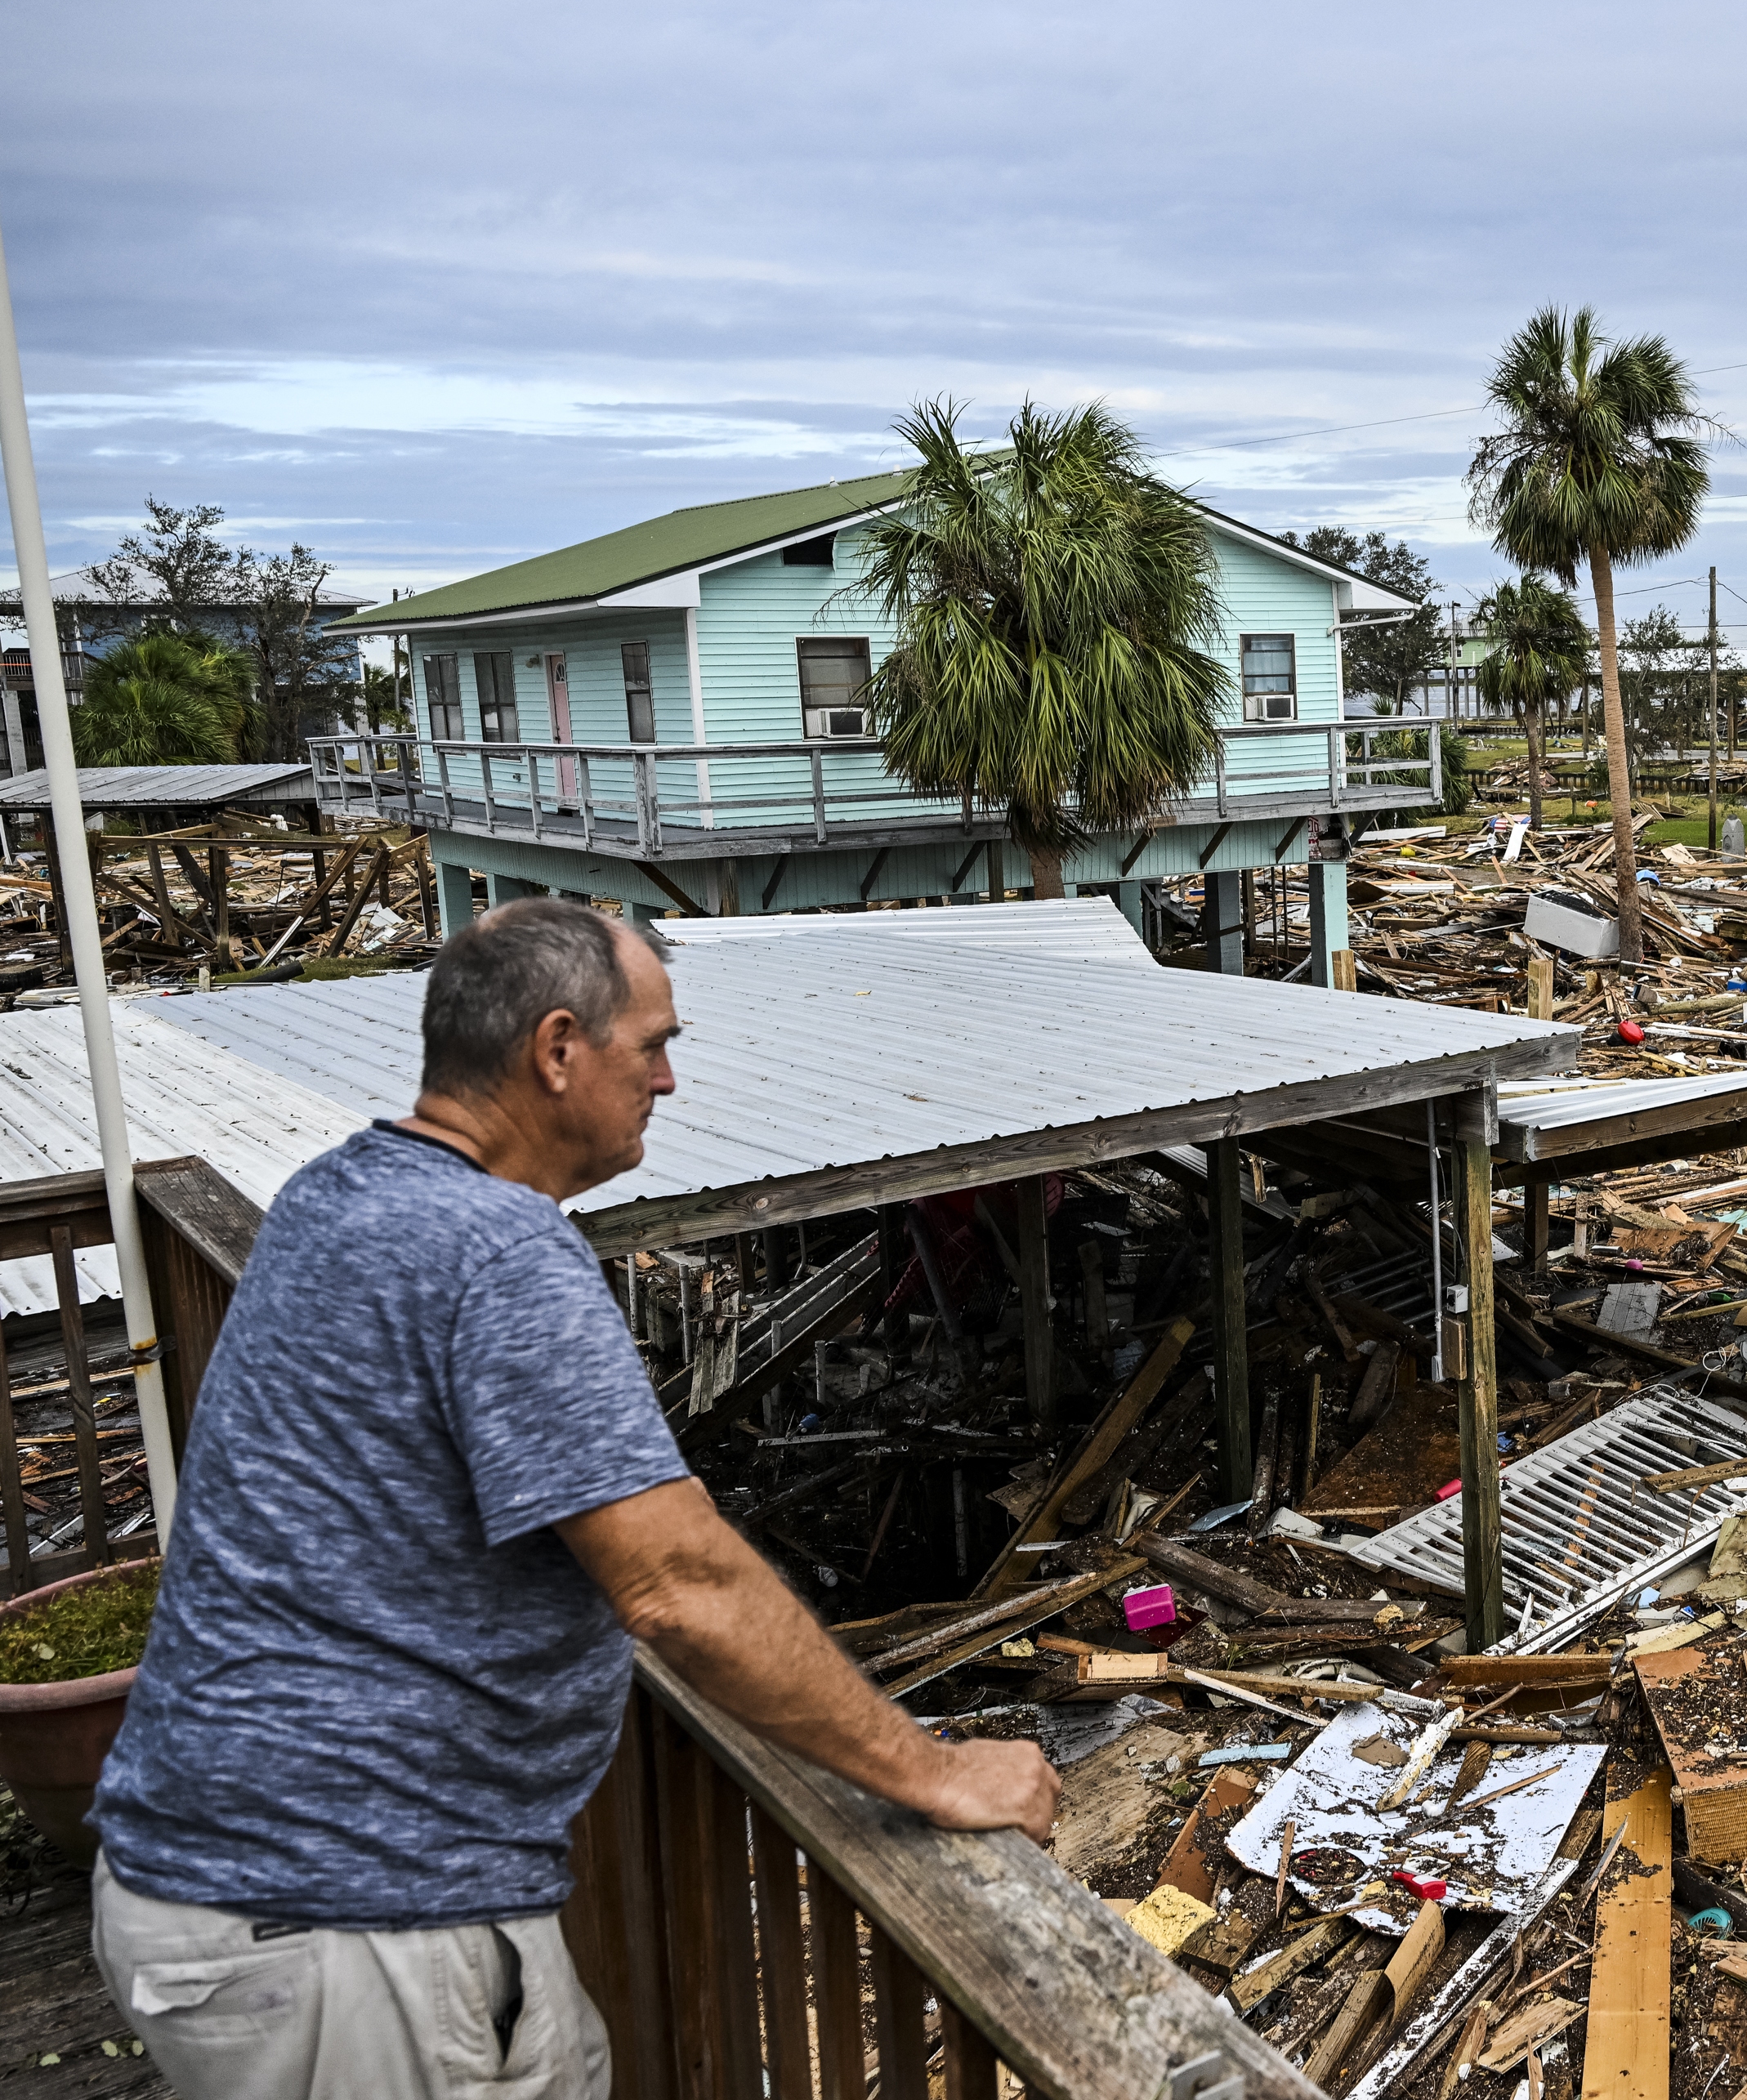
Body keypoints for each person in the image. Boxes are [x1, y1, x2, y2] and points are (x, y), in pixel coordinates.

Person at [90, 898, 1057, 2099]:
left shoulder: (337, 1194)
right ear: (557, 1050)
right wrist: (934, 1771)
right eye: (651, 1045)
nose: (668, 1079)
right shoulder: (497, 1249)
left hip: (230, 1884)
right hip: (347, 1914)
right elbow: (676, 1582)